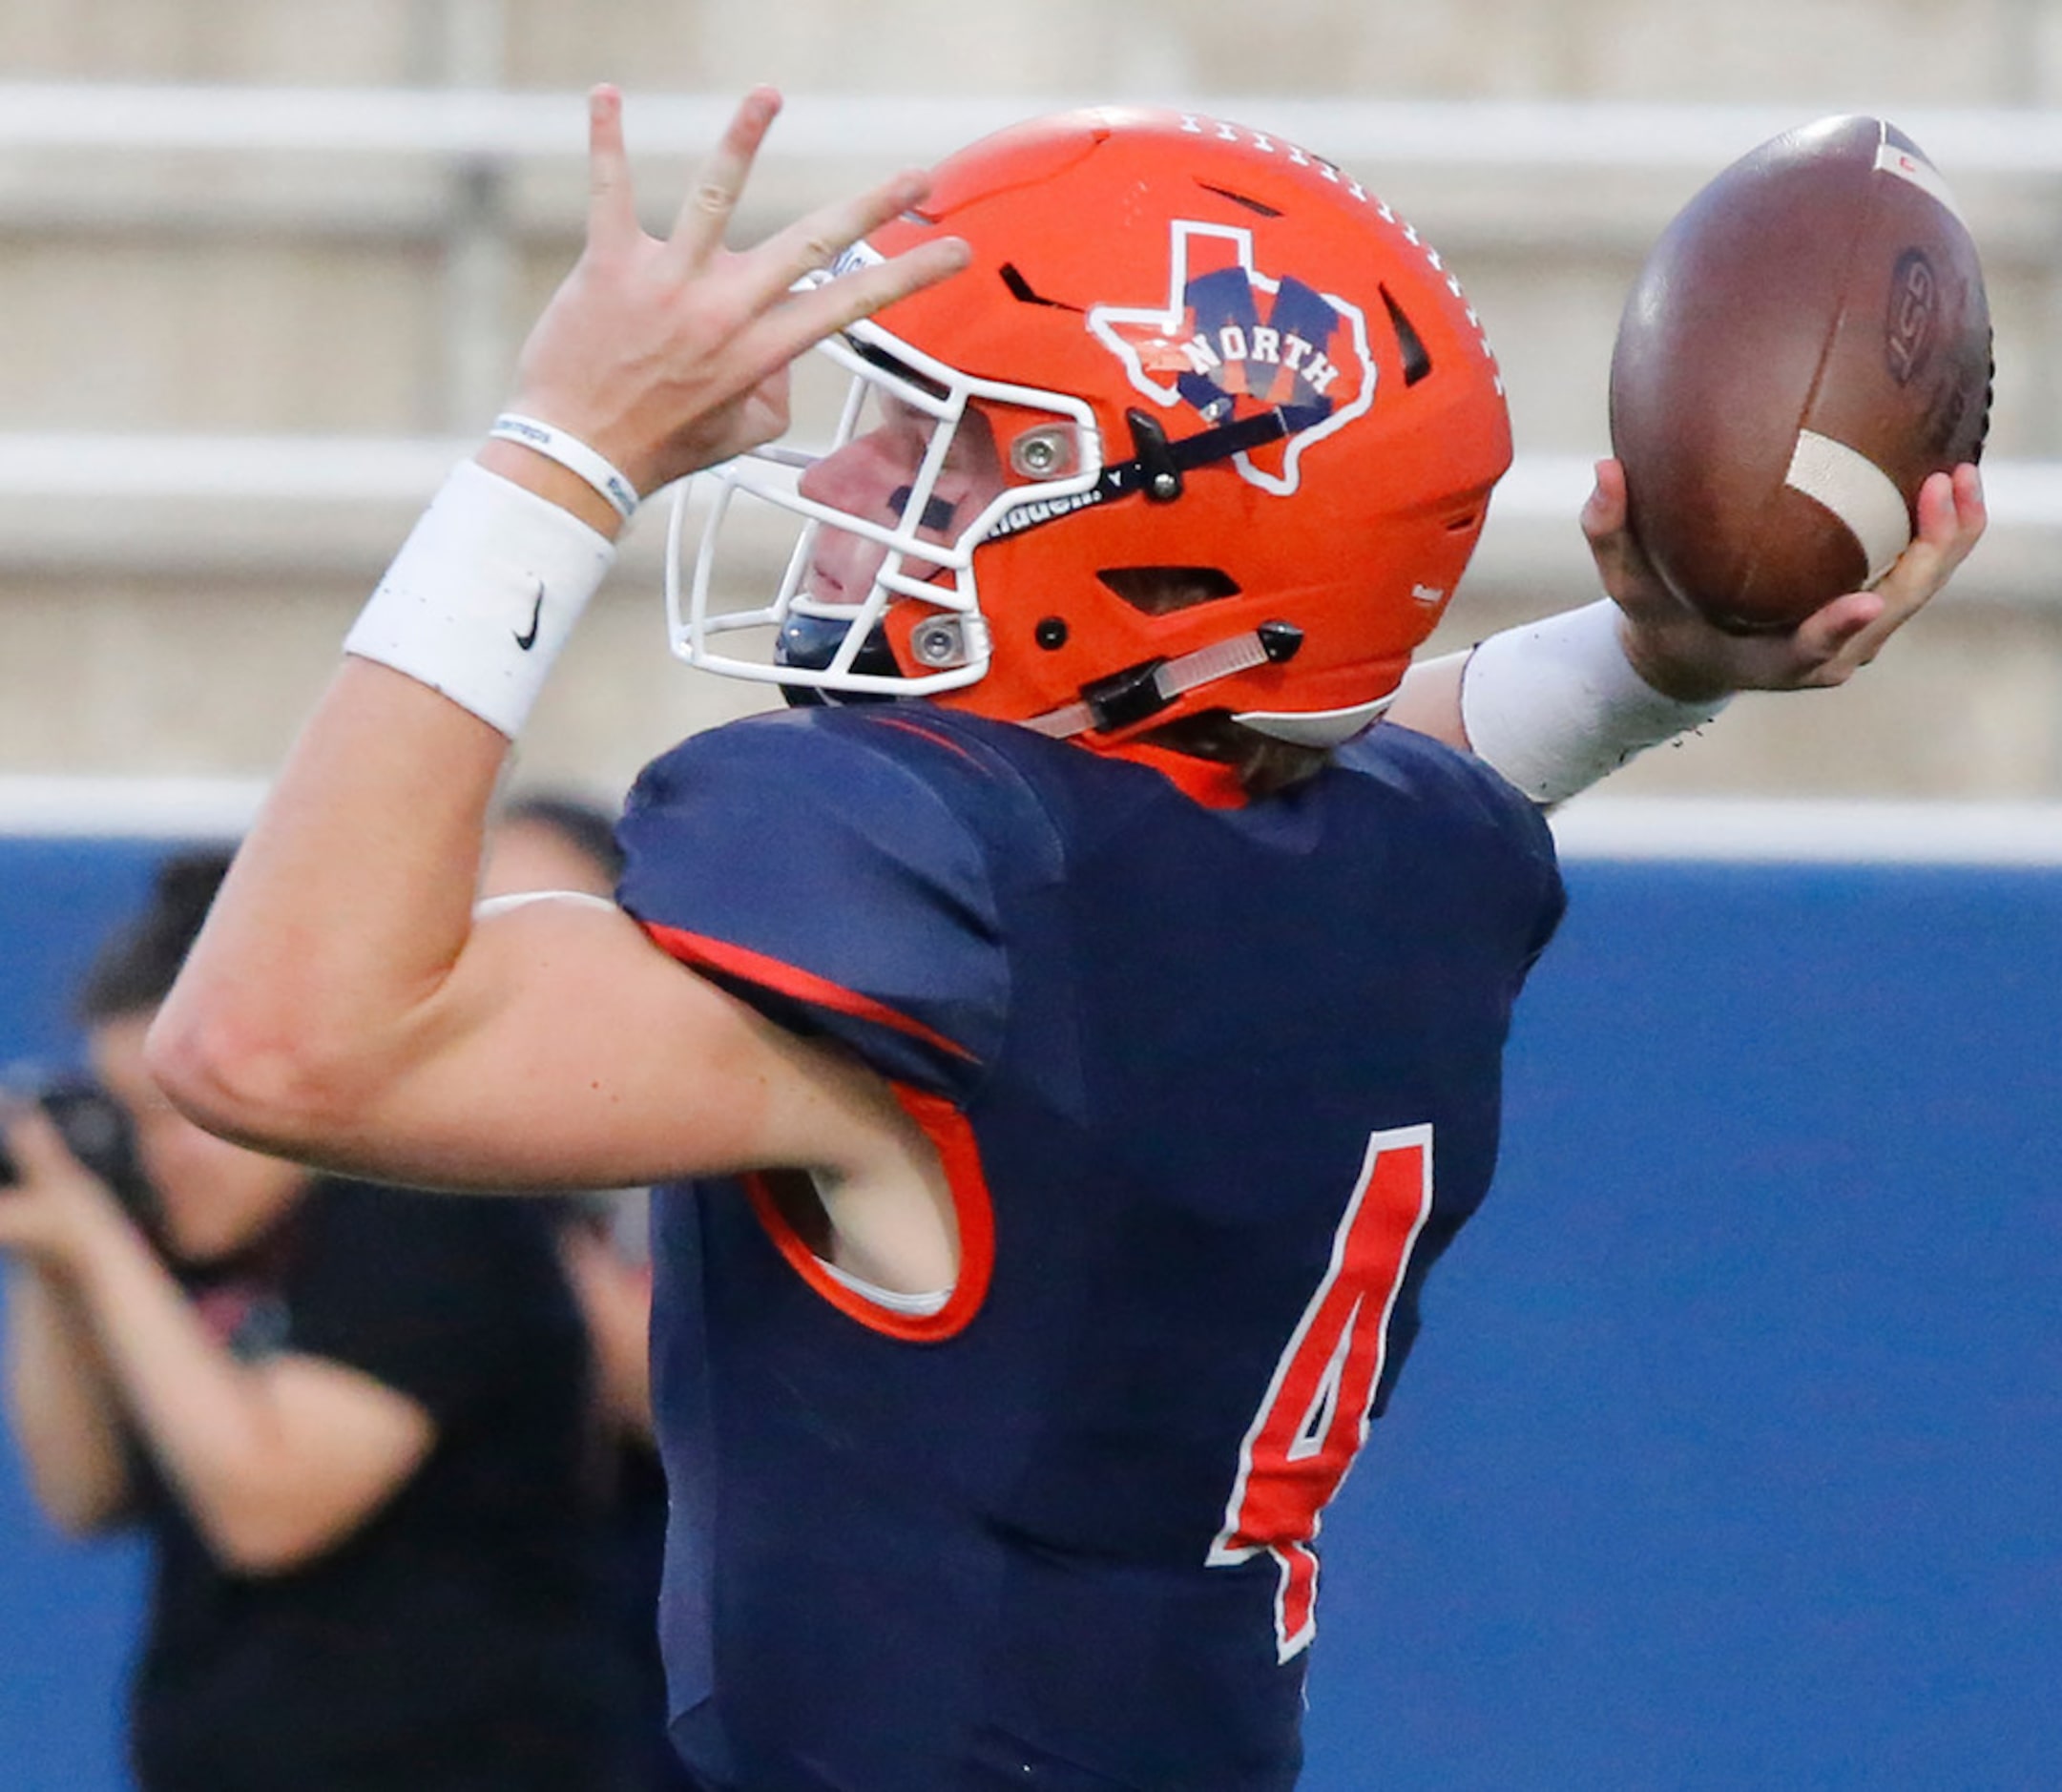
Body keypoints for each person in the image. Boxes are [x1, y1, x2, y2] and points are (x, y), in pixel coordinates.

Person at [146, 88, 1987, 1790]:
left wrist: (559, 457)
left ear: (1177, 558)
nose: (851, 485)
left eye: (941, 461)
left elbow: (274, 1043)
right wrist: (1663, 661)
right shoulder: (1395, 865)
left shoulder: (940, 897)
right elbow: (1430, 748)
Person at [0, 848, 643, 1791]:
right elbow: (83, 1494)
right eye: (124, 1118)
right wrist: (55, 1263)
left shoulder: (429, 1216)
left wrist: (99, 1247)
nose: (153, 1157)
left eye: (178, 1114)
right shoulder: (194, 1252)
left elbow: (270, 1506)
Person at [484, 791, 697, 1792]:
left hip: (674, 1644)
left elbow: (671, 1409)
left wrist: (527, 1210)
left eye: (546, 929)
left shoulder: (703, 1135)